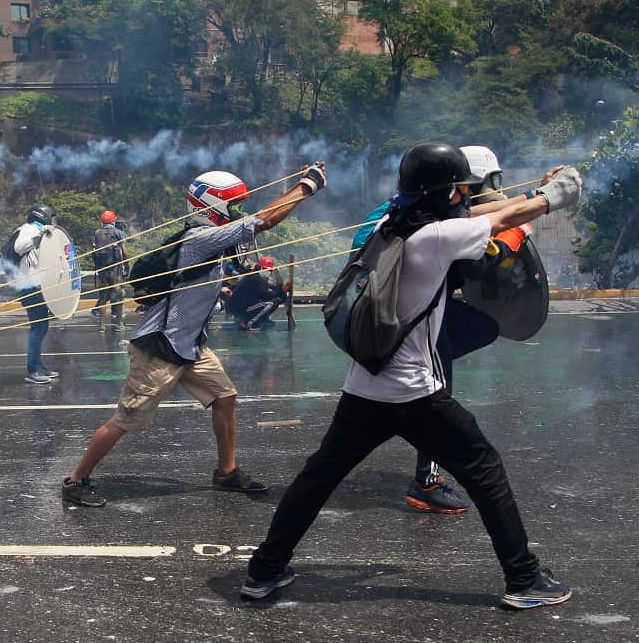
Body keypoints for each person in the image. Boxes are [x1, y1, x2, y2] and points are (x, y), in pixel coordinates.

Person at [242, 142, 580, 610]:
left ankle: (263, 570)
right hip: (413, 392)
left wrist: (540, 189)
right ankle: (523, 578)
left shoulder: (389, 226)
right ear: (444, 195)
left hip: (364, 384)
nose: (465, 197)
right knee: (486, 471)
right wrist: (553, 196)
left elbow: (484, 209)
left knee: (317, 478)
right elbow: (498, 220)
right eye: (459, 191)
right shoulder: (438, 238)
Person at [61, 165, 327, 507]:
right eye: (232, 205)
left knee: (225, 396)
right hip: (160, 346)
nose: (237, 212)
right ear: (213, 205)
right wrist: (306, 186)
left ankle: (226, 472)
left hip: (191, 344)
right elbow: (264, 220)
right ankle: (76, 480)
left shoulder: (211, 240)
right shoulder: (200, 238)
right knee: (127, 419)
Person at [350, 145, 560, 515]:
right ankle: (426, 480)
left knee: (478, 327)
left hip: (388, 315)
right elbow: (480, 263)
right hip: (393, 323)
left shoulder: (413, 206)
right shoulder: (427, 220)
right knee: (433, 390)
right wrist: (521, 225)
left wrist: (535, 194)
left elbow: (487, 212)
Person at [13, 204, 61, 385]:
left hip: (37, 286)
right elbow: (19, 247)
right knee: (38, 328)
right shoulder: (28, 229)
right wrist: (39, 235)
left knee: (42, 327)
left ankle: (39, 366)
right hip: (29, 286)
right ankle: (33, 370)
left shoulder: (37, 230)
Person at [226, 256, 287, 330]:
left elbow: (278, 287)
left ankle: (261, 319)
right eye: (264, 269)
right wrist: (281, 293)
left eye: (270, 271)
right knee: (272, 302)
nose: (267, 272)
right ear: (259, 268)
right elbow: (265, 295)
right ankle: (246, 322)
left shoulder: (260, 279)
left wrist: (277, 274)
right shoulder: (254, 279)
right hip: (240, 309)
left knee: (278, 298)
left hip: (246, 306)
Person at [92, 210, 128, 333]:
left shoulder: (97, 233)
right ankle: (118, 325)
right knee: (118, 296)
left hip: (102, 272)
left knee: (103, 298)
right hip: (115, 271)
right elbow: (124, 252)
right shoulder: (119, 233)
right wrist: (126, 265)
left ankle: (101, 326)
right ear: (114, 221)